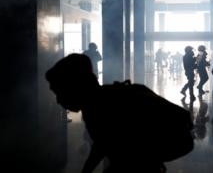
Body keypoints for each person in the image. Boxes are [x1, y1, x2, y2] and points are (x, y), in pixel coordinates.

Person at [45, 54, 193, 173]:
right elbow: (102, 143)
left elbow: (111, 143)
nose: (58, 100)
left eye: (59, 91)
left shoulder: (101, 107)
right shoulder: (104, 99)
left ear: (74, 87)